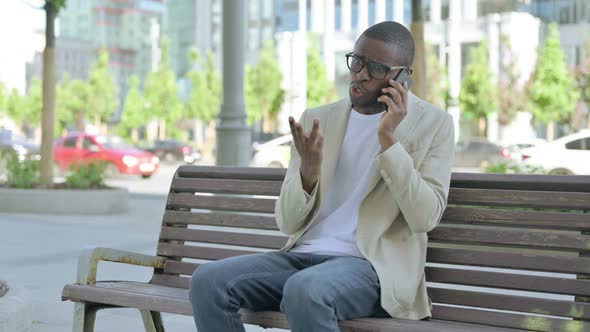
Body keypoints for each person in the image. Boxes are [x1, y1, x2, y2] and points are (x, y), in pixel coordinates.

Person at [189, 21, 455, 332]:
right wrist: (308, 174)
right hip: (302, 258)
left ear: (403, 76)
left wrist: (389, 141)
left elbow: (425, 217)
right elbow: (287, 223)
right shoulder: (317, 120)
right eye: (357, 61)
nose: (361, 74)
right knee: (208, 281)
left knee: (306, 291)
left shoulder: (434, 124)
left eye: (378, 68)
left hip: (373, 269)